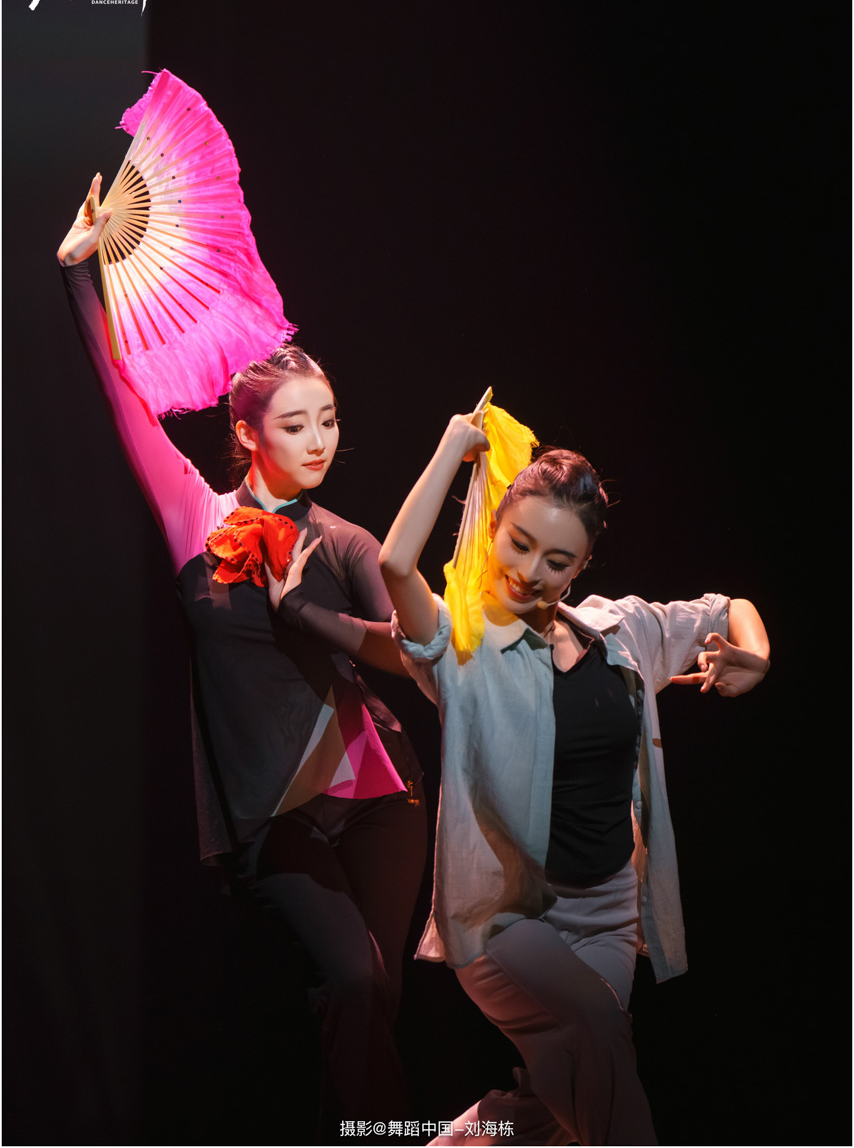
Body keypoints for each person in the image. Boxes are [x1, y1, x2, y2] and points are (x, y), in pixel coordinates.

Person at [57, 176, 427, 1140]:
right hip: (272, 810)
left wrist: (305, 611)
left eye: (329, 419)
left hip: (379, 801)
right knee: (351, 982)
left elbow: (415, 658)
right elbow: (125, 402)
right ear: (246, 431)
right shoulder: (198, 518)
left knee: (368, 1007)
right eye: (296, 424)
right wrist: (79, 278)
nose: (320, 441)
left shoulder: (347, 542)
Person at [379, 412, 770, 1146]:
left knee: (560, 1103)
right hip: (506, 917)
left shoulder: (621, 631)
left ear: (581, 567)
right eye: (519, 543)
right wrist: (453, 448)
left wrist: (756, 655)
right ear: (492, 530)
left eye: (556, 560)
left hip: (608, 914)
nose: (530, 571)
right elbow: (396, 566)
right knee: (596, 1040)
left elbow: (727, 608)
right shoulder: (462, 645)